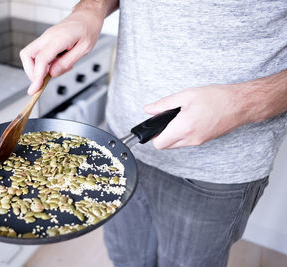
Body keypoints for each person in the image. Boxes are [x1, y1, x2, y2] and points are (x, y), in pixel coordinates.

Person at [20, 1, 287, 266]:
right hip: (120, 142)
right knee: (126, 259)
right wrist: (89, 11)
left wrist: (242, 103)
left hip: (216, 167)